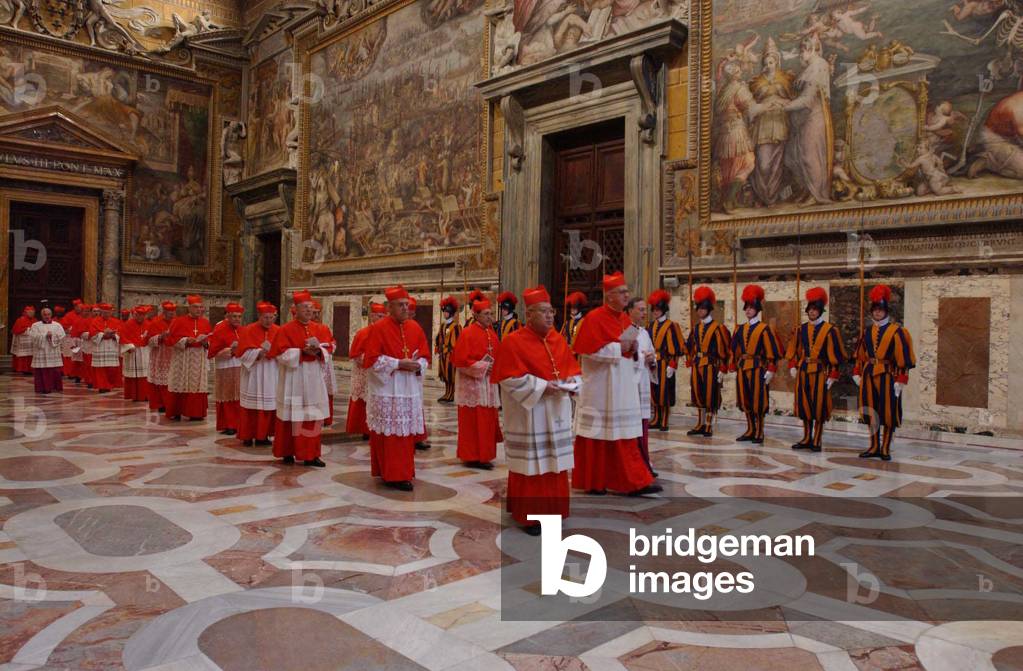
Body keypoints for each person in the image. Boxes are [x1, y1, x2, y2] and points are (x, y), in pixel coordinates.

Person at [492, 285, 581, 536]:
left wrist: (572, 385)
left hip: (556, 410)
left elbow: (573, 371)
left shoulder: (558, 339)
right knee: (532, 466)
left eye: (551, 311)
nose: (550, 316)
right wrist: (542, 387)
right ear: (529, 314)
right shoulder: (513, 342)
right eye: (543, 312)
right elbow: (507, 378)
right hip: (530, 415)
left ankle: (555, 511)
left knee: (554, 464)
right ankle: (530, 516)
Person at [571, 272, 660, 496]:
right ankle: (594, 482)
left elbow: (629, 350)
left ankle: (633, 481)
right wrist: (619, 348)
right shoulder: (593, 318)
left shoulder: (623, 320)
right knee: (597, 437)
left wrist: (640, 353)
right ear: (609, 295)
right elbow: (588, 351)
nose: (626, 296)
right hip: (600, 389)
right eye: (622, 292)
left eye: (627, 292)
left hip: (621, 389)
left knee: (624, 437)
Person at [363, 285, 430, 491]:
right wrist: (398, 364)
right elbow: (372, 361)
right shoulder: (379, 328)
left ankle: (402, 472)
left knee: (404, 435)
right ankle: (391, 473)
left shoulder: (415, 328)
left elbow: (426, 357)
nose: (404, 309)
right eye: (400, 305)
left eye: (406, 305)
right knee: (390, 436)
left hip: (409, 389)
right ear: (389, 307)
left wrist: (419, 365)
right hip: (388, 389)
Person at [853, 285, 916, 461]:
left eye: (881, 310)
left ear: (886, 311)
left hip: (888, 376)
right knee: (871, 411)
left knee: (888, 413)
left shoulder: (897, 332)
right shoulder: (866, 332)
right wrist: (857, 372)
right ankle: (873, 446)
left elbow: (903, 358)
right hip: (869, 375)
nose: (878, 313)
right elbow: (860, 356)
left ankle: (886, 448)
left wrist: (901, 380)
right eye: (875, 310)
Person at [269, 290, 330, 467]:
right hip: (293, 378)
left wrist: (319, 351)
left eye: (311, 308)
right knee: (290, 416)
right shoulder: (285, 329)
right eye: (305, 307)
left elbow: (328, 349)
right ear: (295, 309)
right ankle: (287, 451)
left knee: (312, 416)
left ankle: (311, 455)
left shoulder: (319, 328)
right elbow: (280, 355)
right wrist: (301, 352)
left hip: (313, 377)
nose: (309, 311)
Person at [786, 287, 845, 452]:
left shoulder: (830, 331)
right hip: (803, 370)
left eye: (815, 310)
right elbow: (794, 350)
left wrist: (832, 375)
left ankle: (817, 439)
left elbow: (836, 355)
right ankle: (806, 437)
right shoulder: (800, 329)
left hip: (820, 372)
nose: (812, 312)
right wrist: (792, 365)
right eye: (810, 309)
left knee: (818, 406)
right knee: (804, 406)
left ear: (820, 311)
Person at [450, 297, 502, 469]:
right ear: (476, 315)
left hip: (488, 385)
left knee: (487, 421)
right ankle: (472, 456)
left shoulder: (492, 334)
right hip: (472, 387)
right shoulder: (467, 333)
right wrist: (482, 366)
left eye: (491, 314)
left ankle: (485, 455)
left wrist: (496, 366)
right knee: (473, 422)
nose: (490, 317)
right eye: (486, 314)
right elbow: (460, 361)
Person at [782, 33, 833, 207]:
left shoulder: (818, 65)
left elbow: (807, 99)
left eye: (803, 50)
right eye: (801, 49)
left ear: (812, 50)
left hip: (813, 116)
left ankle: (816, 193)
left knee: (810, 156)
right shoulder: (808, 69)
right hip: (801, 119)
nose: (800, 53)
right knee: (793, 156)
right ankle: (806, 189)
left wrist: (783, 106)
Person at [729, 285, 783, 444]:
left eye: (751, 308)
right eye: (746, 308)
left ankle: (759, 431)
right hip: (743, 368)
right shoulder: (739, 329)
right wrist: (732, 364)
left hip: (758, 369)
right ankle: (750, 429)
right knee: (745, 399)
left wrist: (771, 369)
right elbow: (734, 349)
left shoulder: (764, 329)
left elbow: (771, 351)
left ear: (757, 309)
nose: (748, 311)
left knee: (758, 400)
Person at [685, 286, 731, 437]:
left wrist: (723, 369)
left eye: (703, 308)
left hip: (711, 366)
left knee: (710, 395)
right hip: (697, 364)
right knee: (697, 394)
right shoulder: (696, 328)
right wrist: (689, 359)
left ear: (709, 309)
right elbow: (690, 346)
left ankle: (709, 425)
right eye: (698, 308)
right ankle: (700, 423)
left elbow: (724, 350)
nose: (700, 311)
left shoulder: (719, 328)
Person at [236, 302, 281, 446]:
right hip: (254, 372)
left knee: (268, 405)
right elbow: (242, 354)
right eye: (265, 317)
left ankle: (263, 436)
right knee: (251, 406)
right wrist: (258, 353)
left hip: (271, 371)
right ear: (259, 316)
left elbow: (283, 351)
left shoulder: (279, 330)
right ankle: (247, 436)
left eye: (271, 317)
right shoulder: (248, 330)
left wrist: (276, 354)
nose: (269, 321)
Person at [164, 295, 213, 421]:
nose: (199, 310)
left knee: (196, 385)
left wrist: (205, 343)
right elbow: (170, 340)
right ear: (189, 308)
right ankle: (177, 411)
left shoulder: (205, 322)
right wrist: (186, 340)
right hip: (183, 357)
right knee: (179, 382)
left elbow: (211, 340)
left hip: (199, 357)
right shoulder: (178, 321)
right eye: (196, 307)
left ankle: (195, 413)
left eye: (201, 307)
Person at [647, 289, 686, 431]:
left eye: (658, 309)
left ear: (663, 310)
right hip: (653, 362)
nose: (655, 312)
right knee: (655, 391)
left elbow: (677, 347)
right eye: (654, 309)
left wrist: (673, 365)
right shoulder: (651, 326)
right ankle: (656, 417)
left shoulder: (672, 326)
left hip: (665, 362)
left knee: (665, 391)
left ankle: (664, 420)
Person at [347, 302, 386, 438]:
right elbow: (355, 354)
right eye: (379, 316)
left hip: (380, 373)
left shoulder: (386, 333)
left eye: (383, 316)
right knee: (363, 399)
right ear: (372, 316)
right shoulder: (363, 333)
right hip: (364, 372)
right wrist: (370, 361)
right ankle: (364, 429)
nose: (382, 319)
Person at [628, 297, 657, 475]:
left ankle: (645, 460)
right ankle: (636, 463)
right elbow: (623, 357)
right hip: (631, 385)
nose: (644, 313)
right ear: (629, 311)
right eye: (640, 309)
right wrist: (640, 358)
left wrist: (652, 360)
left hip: (644, 382)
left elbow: (653, 353)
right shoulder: (626, 331)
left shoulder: (645, 333)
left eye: (645, 310)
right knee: (633, 426)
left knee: (643, 425)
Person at [208, 303, 244, 435]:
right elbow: (213, 351)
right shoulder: (220, 329)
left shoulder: (242, 329)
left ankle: (238, 423)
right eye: (234, 316)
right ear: (228, 316)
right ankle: (229, 424)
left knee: (239, 396)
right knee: (227, 396)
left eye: (239, 317)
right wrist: (230, 350)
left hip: (240, 366)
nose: (237, 319)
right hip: (225, 366)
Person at [406, 296, 431, 450]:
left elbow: (424, 353)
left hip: (413, 375)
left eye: (410, 313)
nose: (408, 315)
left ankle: (417, 436)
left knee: (416, 405)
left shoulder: (416, 328)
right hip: (398, 377)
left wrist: (419, 364)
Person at [145, 301, 177, 413]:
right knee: (161, 382)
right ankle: (161, 404)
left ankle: (172, 404)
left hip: (174, 355)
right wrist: (160, 337)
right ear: (164, 312)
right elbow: (148, 340)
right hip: (160, 355)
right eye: (169, 312)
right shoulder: (155, 322)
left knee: (172, 381)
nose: (172, 314)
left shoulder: (177, 322)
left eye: (173, 312)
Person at [311, 300, 337, 427]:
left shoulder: (324, 328)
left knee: (326, 391)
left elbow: (333, 344)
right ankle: (314, 418)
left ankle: (326, 418)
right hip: (312, 365)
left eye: (318, 313)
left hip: (325, 364)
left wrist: (324, 348)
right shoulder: (306, 328)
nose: (316, 316)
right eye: (314, 313)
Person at [28, 307, 64, 393]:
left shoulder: (57, 325)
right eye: (44, 315)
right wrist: (45, 335)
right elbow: (33, 337)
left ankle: (55, 387)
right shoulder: (35, 325)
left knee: (54, 370)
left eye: (48, 314)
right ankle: (42, 388)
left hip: (53, 351)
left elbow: (62, 336)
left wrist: (53, 336)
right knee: (42, 370)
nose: (47, 316)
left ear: (51, 315)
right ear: (41, 315)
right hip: (41, 351)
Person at [119, 306, 150, 402]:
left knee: (145, 375)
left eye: (143, 315)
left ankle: (145, 395)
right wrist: (130, 346)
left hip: (145, 352)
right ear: (135, 315)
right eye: (139, 315)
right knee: (134, 375)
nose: (141, 317)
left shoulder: (148, 324)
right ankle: (134, 395)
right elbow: (122, 337)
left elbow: (151, 336)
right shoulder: (128, 324)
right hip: (133, 352)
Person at [90, 303, 122, 394]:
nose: (106, 314)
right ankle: (102, 386)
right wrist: (103, 334)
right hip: (100, 347)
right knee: (100, 369)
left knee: (111, 369)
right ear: (101, 312)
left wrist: (113, 334)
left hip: (111, 347)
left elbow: (120, 334)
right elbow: (92, 334)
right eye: (104, 312)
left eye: (108, 312)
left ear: (111, 312)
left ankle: (109, 385)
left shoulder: (116, 321)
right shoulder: (95, 321)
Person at [435, 295, 461, 404]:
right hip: (443, 354)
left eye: (447, 312)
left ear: (451, 313)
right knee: (445, 375)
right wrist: (438, 348)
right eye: (444, 312)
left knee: (451, 375)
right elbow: (438, 338)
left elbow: (458, 342)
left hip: (451, 354)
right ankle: (446, 392)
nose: (445, 314)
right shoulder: (442, 325)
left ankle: (451, 394)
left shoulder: (456, 326)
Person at [60, 300, 83, 381]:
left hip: (79, 339)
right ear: (75, 307)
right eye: (79, 307)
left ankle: (77, 373)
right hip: (69, 339)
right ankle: (70, 373)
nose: (80, 309)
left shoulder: (83, 315)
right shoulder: (69, 315)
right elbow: (63, 326)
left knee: (77, 356)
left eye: (81, 307)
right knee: (70, 355)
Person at [11, 305, 36, 375]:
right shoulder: (20, 320)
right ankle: (23, 369)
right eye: (30, 312)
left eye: (32, 312)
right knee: (24, 357)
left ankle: (31, 369)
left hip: (32, 343)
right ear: (26, 312)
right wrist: (26, 329)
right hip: (23, 343)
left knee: (31, 356)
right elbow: (16, 330)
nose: (31, 313)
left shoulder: (35, 320)